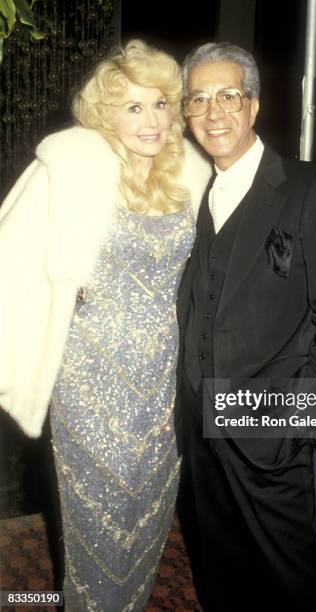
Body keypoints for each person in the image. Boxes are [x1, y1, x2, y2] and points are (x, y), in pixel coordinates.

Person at [0, 40, 210, 610]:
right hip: (90, 377)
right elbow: (11, 259)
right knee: (94, 526)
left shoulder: (194, 174)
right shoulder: (70, 170)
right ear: (105, 112)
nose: (151, 119)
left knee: (146, 523)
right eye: (133, 106)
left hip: (166, 380)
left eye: (161, 104)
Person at [176, 42, 316, 611]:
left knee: (295, 583)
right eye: (199, 99)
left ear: (253, 106)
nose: (214, 112)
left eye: (228, 95)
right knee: (221, 572)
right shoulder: (189, 195)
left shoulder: (310, 187)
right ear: (186, 115)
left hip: (269, 427)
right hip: (200, 428)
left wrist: (296, 421)